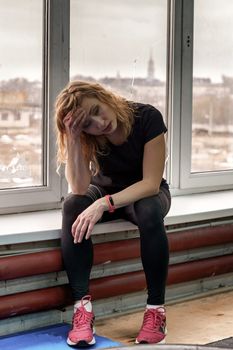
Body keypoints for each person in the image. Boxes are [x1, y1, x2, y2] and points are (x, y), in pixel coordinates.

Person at [55, 80, 171, 347]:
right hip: (105, 192)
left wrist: (102, 204)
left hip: (143, 194)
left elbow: (151, 183)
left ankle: (156, 310)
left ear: (104, 96)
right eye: (87, 123)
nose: (99, 123)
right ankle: (82, 310)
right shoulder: (87, 135)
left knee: (149, 208)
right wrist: (74, 138)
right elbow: (80, 187)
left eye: (97, 110)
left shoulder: (147, 117)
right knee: (73, 205)